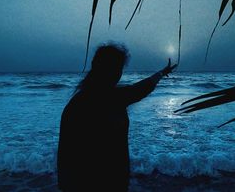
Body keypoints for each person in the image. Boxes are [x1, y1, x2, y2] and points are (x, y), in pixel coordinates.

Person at [57, 43, 177, 192]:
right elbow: (139, 90)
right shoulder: (110, 98)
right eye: (116, 68)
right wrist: (161, 73)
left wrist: (161, 73)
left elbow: (64, 159)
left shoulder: (77, 102)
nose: (117, 74)